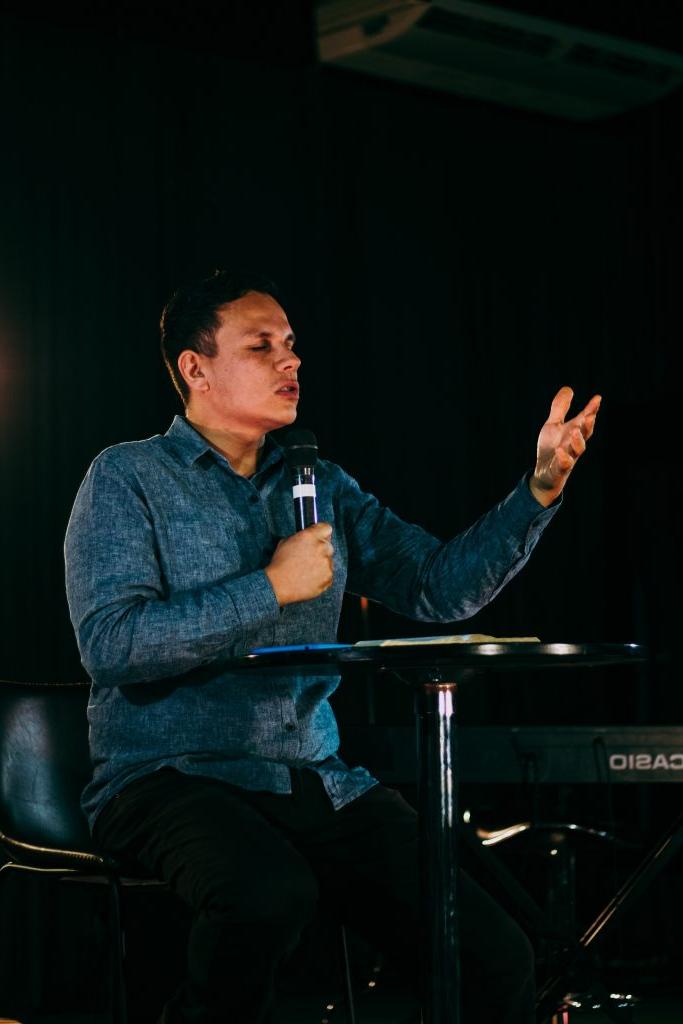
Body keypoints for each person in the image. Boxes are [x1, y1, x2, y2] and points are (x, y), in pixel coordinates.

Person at [64, 270, 600, 1024]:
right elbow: (113, 646)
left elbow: (437, 589)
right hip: (168, 775)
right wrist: (270, 588)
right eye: (262, 346)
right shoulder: (127, 477)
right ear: (196, 367)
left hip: (313, 776)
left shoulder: (321, 482)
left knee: (492, 956)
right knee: (267, 895)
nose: (291, 362)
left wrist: (536, 491)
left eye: (291, 346)